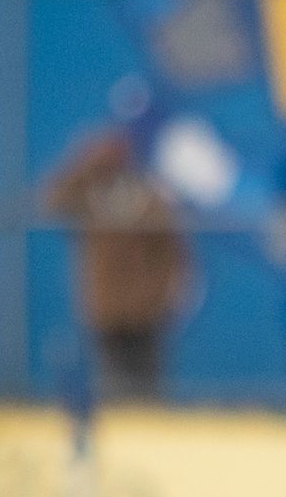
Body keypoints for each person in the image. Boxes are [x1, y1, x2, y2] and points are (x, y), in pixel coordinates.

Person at [43, 129, 187, 404]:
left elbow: (170, 250)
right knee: (112, 387)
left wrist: (161, 294)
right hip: (106, 308)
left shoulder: (147, 196)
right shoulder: (89, 197)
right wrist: (84, 166)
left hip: (145, 311)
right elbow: (52, 202)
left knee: (146, 388)